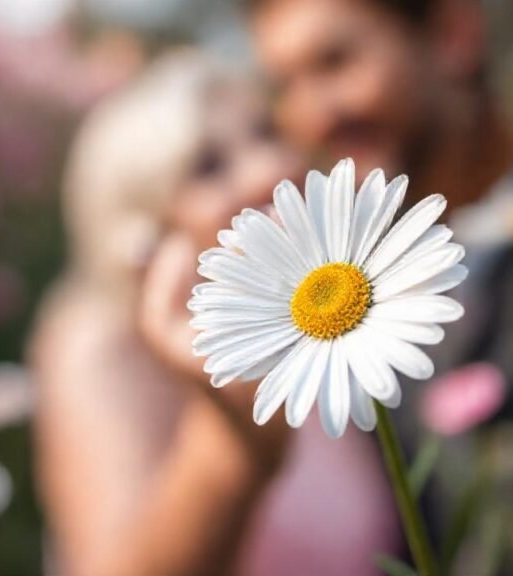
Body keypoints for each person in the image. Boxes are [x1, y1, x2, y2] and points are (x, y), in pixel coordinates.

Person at [133, 0, 513, 572]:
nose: (308, 116)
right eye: (285, 86)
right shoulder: (343, 304)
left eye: (335, 62)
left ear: (452, 35)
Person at [30, 51, 398, 576]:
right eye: (207, 166)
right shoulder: (101, 351)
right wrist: (234, 437)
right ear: (141, 233)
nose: (271, 169)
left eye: (267, 132)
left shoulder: (317, 332)